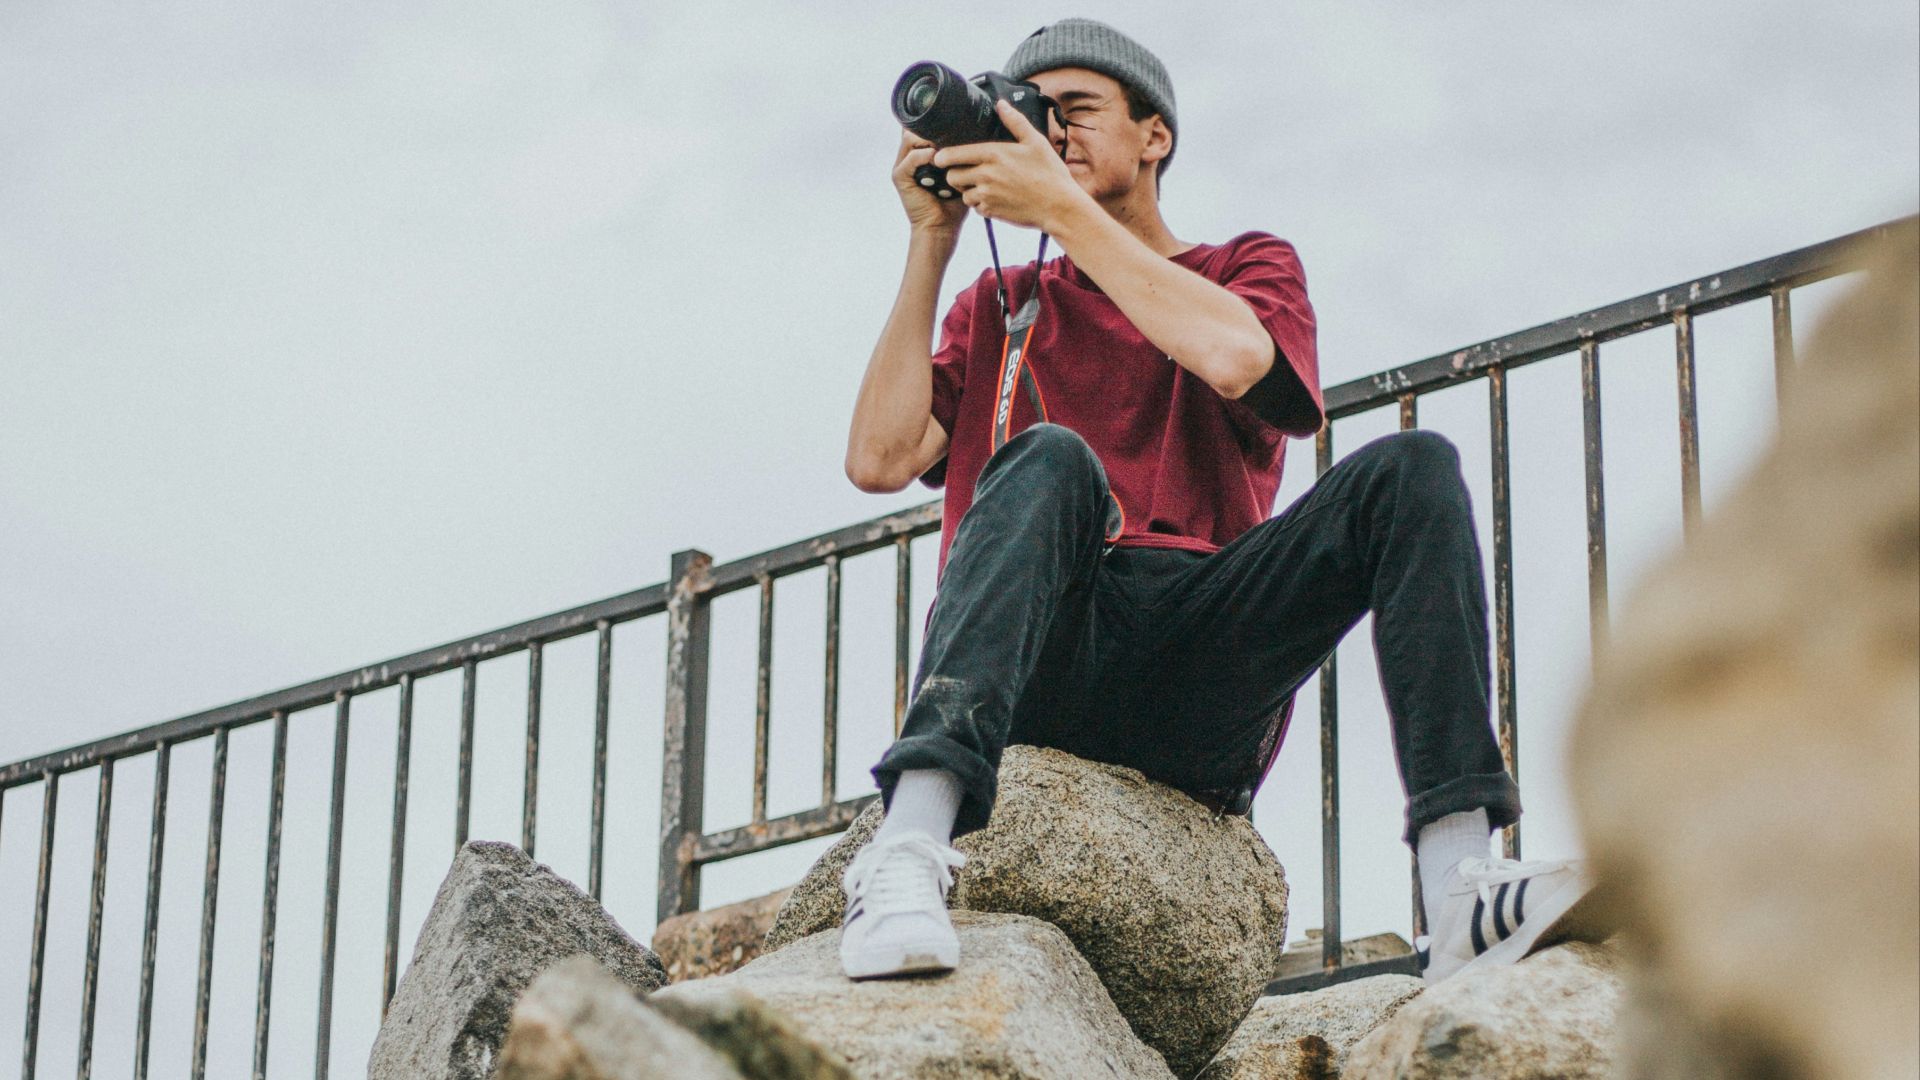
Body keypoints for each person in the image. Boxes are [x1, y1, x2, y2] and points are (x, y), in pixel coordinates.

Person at [840, 17, 1602, 987]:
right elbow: (879, 455)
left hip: (1202, 655)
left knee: (1412, 467)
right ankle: (905, 854)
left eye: (1074, 112)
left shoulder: (1245, 265)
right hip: (1046, 654)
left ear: (1155, 135)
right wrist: (932, 241)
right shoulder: (998, 302)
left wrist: (1067, 214)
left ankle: (1463, 885)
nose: (1050, 136)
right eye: (1030, 120)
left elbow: (1240, 360)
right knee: (1051, 460)